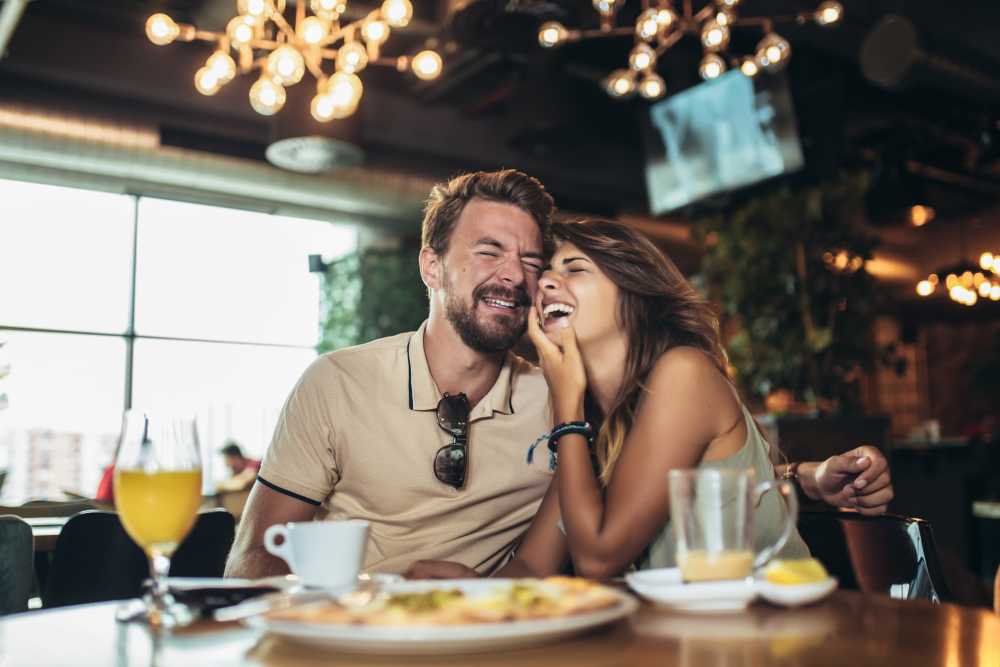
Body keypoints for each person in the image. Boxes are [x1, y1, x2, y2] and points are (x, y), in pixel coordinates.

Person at [225, 170, 892, 579]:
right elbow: (537, 564)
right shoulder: (336, 383)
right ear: (431, 266)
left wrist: (804, 476)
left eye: (542, 262)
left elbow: (654, 500)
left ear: (630, 293)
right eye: (490, 250)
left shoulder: (567, 399)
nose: (524, 278)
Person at [407, 219, 893, 580]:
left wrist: (566, 403)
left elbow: (599, 557)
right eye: (547, 272)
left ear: (635, 297)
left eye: (575, 269)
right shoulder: (597, 426)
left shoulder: (682, 373)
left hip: (774, 638)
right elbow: (535, 564)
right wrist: (470, 590)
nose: (545, 283)